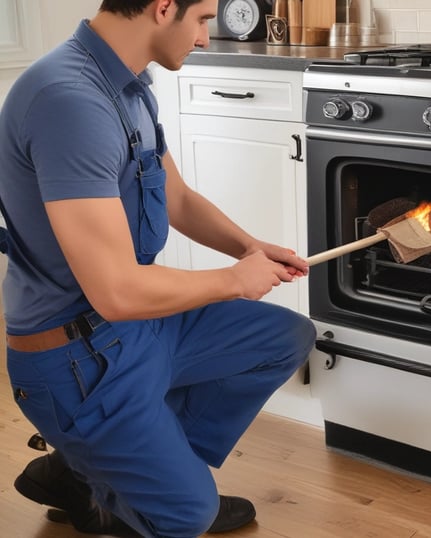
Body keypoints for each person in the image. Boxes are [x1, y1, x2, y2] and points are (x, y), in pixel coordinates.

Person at [0, 0, 316, 536]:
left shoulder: (124, 84)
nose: (204, 39)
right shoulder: (70, 101)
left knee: (285, 337)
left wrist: (249, 249)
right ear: (162, 7)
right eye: (202, 19)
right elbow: (117, 293)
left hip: (136, 333)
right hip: (79, 360)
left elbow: (177, 197)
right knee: (189, 514)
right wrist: (236, 282)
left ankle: (115, 477)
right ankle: (142, 490)